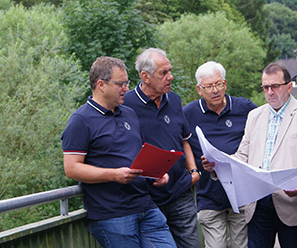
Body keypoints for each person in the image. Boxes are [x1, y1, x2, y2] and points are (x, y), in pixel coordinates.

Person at [203, 63, 297, 248]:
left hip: (292, 201)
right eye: (265, 87)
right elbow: (242, 156)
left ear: (288, 86)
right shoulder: (255, 116)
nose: (270, 92)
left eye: (275, 86)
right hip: (257, 201)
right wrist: (218, 164)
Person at [61, 56, 176, 248]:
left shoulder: (129, 113)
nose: (126, 89)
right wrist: (114, 175)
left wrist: (155, 174)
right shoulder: (80, 120)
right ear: (101, 85)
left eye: (127, 83)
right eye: (120, 84)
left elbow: (138, 155)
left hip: (146, 206)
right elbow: (71, 169)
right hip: (112, 214)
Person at [123, 48, 200, 248]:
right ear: (145, 77)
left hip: (181, 191)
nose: (170, 77)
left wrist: (193, 172)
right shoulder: (126, 104)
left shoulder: (174, 100)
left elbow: (185, 139)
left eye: (170, 70)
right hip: (148, 198)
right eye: (163, 73)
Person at [183, 61, 257, 248]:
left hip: (242, 193)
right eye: (209, 86)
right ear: (199, 89)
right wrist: (193, 168)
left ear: (225, 84)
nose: (215, 90)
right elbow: (180, 144)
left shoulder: (245, 108)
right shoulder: (188, 113)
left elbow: (263, 134)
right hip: (209, 195)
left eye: (219, 84)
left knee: (242, 246)